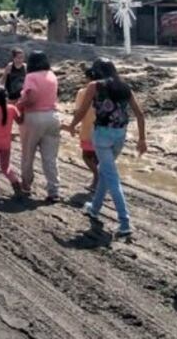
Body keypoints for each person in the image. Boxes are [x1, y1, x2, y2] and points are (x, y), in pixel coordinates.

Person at [66, 58, 147, 236]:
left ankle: (124, 222)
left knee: (111, 177)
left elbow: (81, 111)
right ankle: (94, 208)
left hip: (102, 135)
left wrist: (72, 125)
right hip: (120, 134)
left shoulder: (94, 86)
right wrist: (142, 139)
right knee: (104, 169)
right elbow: (140, 115)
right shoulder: (125, 87)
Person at [16, 51, 61, 202]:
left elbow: (32, 95)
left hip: (33, 117)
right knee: (50, 157)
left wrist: (20, 104)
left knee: (28, 154)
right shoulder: (52, 75)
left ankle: (26, 184)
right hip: (53, 116)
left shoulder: (31, 76)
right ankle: (53, 190)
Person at [67, 65, 99, 191]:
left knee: (86, 156)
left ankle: (97, 177)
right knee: (97, 157)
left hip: (88, 128)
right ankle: (97, 178)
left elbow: (78, 112)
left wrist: (72, 125)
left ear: (88, 78)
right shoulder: (105, 91)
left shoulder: (82, 92)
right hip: (103, 128)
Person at [0, 85, 21, 196]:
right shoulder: (12, 108)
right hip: (6, 143)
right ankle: (15, 182)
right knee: (5, 167)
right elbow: (20, 121)